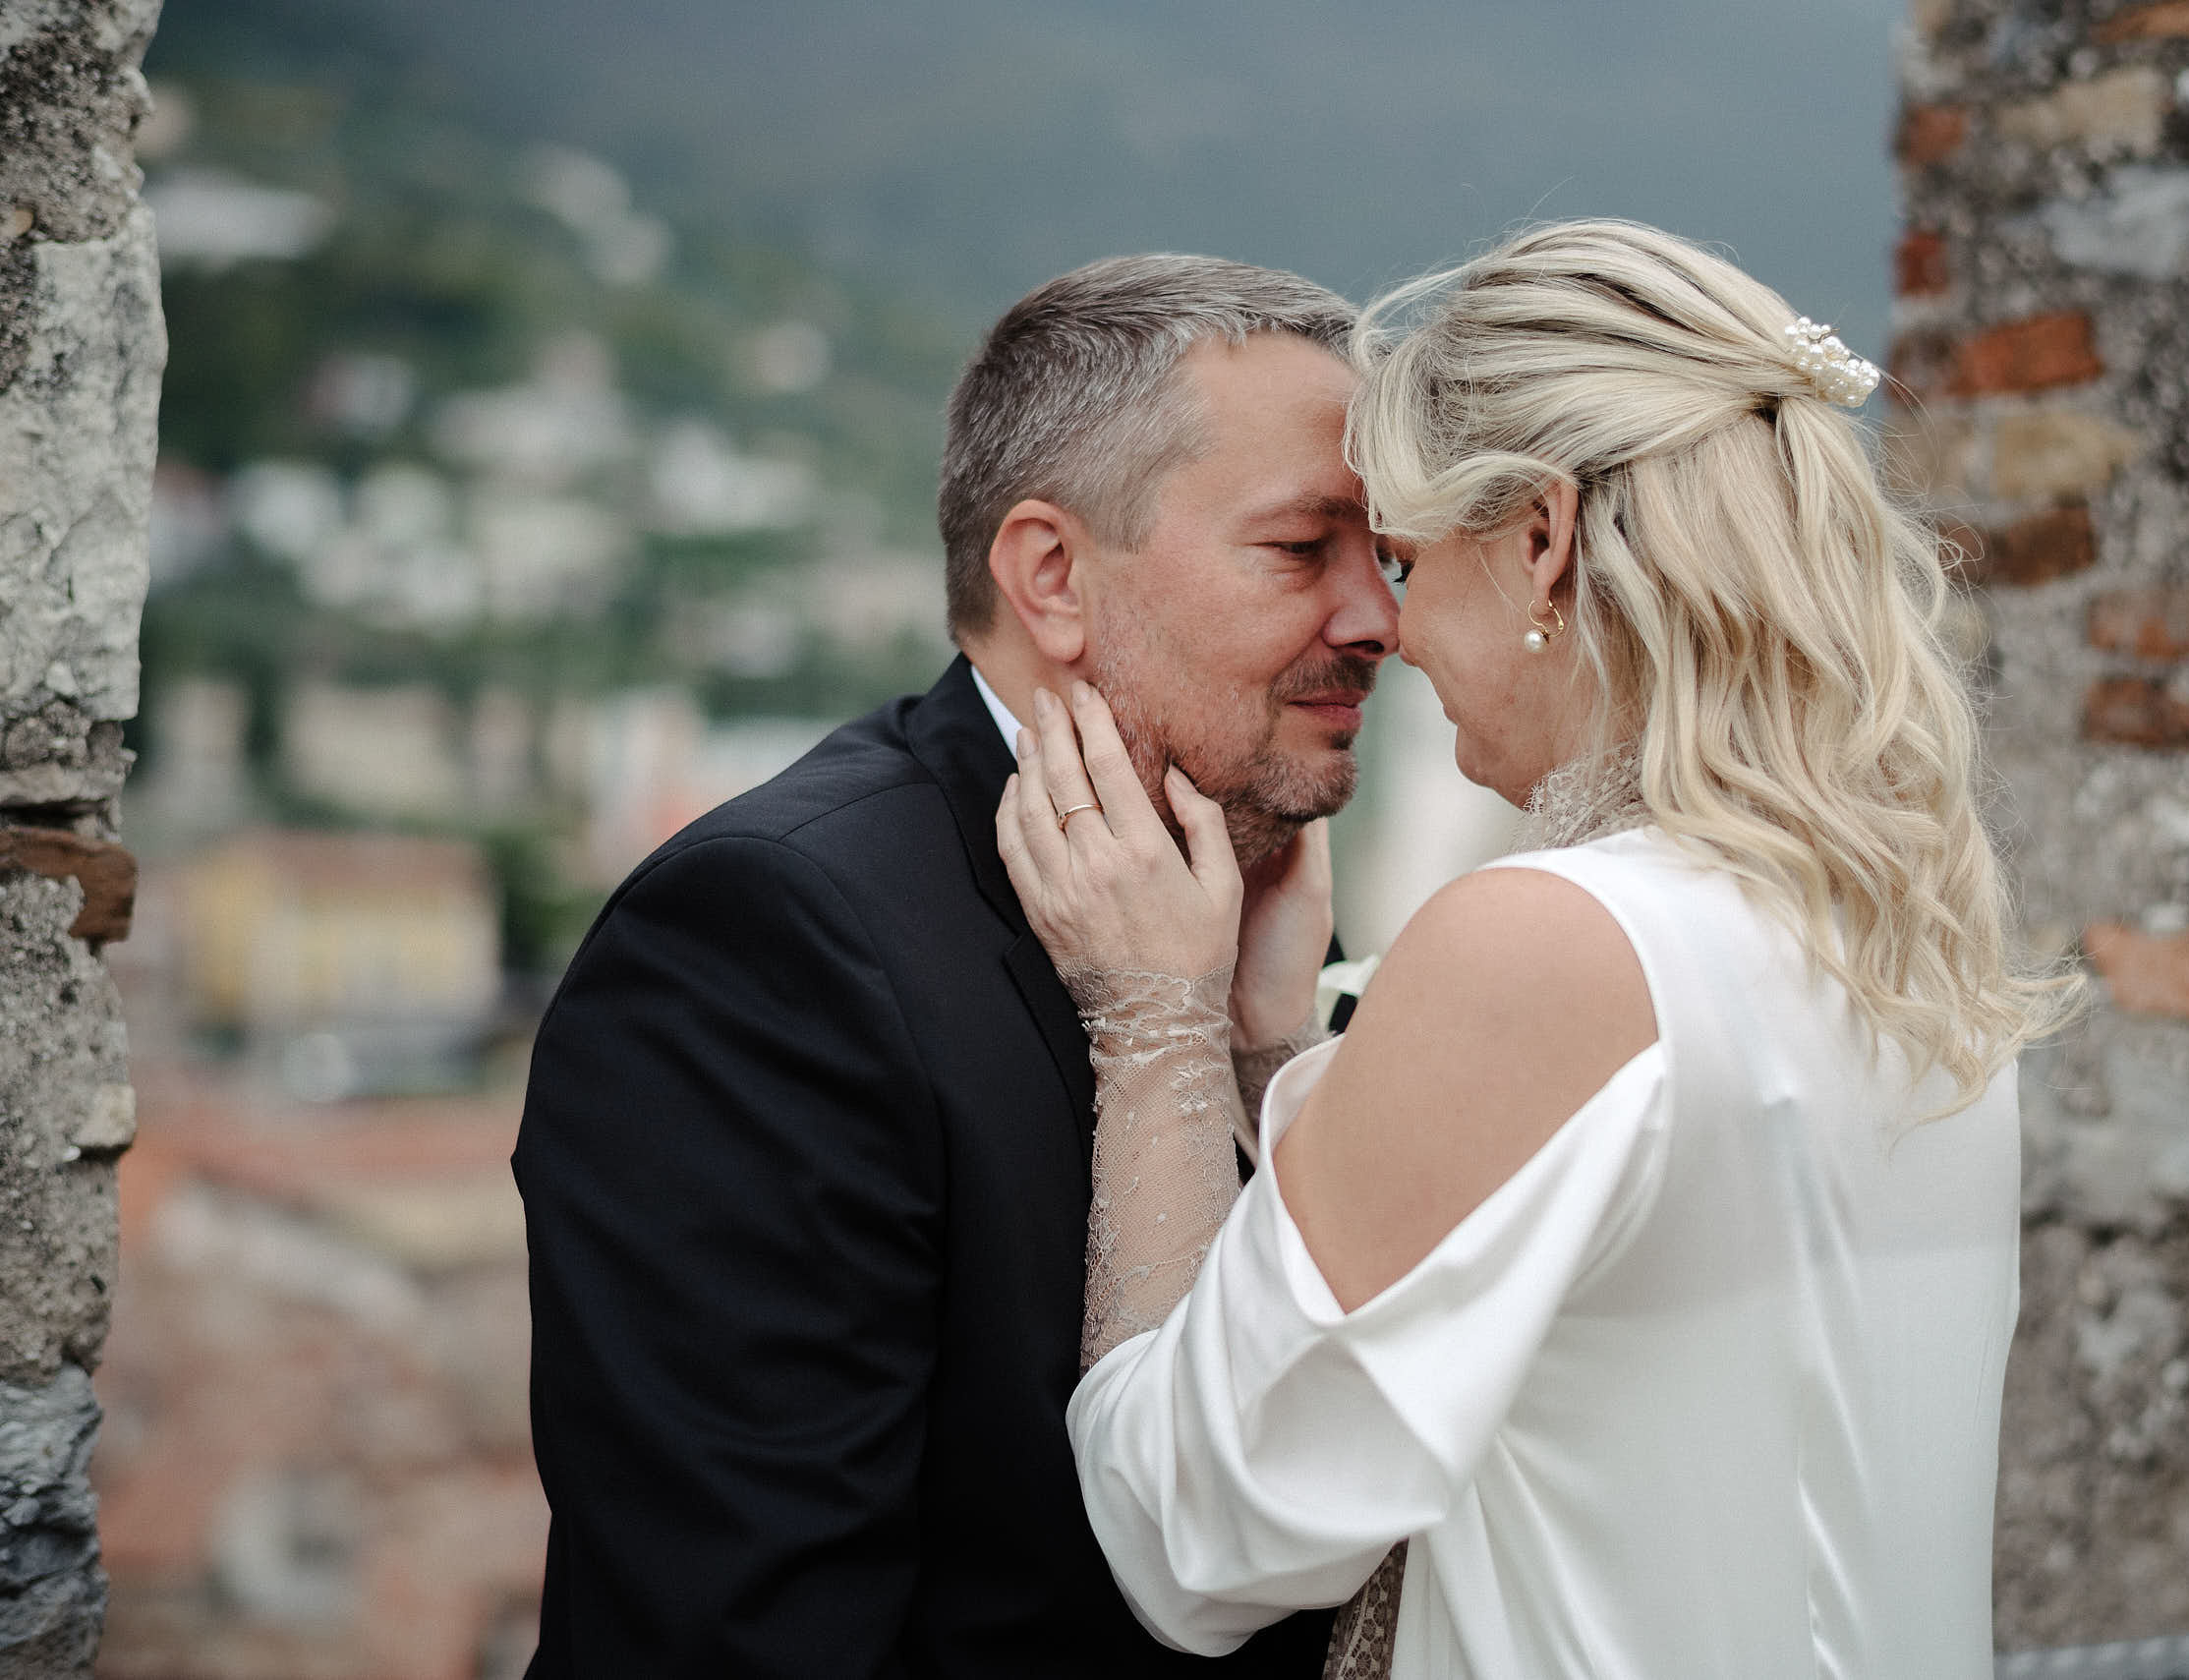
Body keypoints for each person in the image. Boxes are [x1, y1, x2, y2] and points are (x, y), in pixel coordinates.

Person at [999, 220, 2081, 1680]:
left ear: (1540, 540)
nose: (1389, 627)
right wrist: (1281, 1053)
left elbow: (1196, 1531)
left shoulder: (1544, 944)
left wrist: (1155, 1030)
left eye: (1401, 555)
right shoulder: (1890, 941)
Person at [510, 254, 1401, 1678]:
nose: (1379, 619)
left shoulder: (1250, 899)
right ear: (1052, 575)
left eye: (1390, 556)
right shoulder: (767, 944)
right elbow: (736, 1628)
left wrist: (1264, 1059)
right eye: (1305, 549)